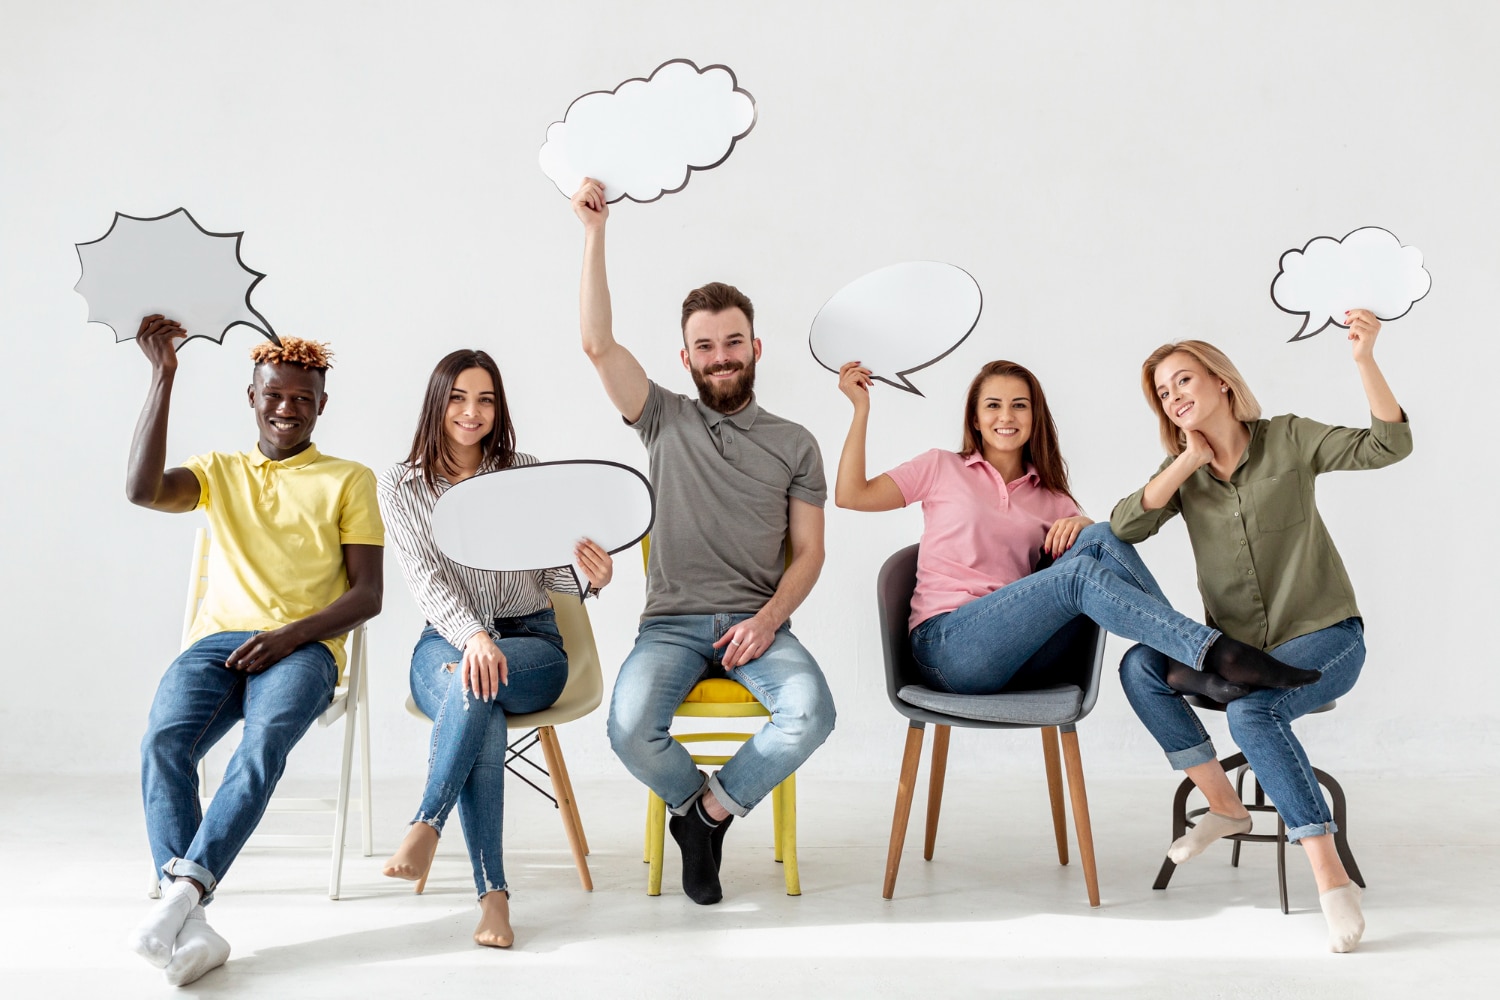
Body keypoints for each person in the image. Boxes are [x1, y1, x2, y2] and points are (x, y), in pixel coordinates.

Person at [570, 178, 836, 905]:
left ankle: (708, 815)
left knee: (813, 712)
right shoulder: (664, 419)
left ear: (755, 346)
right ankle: (695, 810)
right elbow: (597, 344)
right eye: (704, 347)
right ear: (685, 358)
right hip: (671, 627)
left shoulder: (795, 443)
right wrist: (595, 234)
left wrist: (768, 621)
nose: (721, 356)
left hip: (760, 625)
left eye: (732, 342)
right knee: (629, 729)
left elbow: (808, 553)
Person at [1111, 310, 1411, 953]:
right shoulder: (1184, 476)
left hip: (1325, 637)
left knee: (1253, 713)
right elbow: (1126, 528)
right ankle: (1225, 808)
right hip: (1238, 654)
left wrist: (1363, 359)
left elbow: (1389, 445)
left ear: (1221, 382)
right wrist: (1186, 459)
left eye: (1184, 380)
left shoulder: (1289, 439)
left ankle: (1331, 881)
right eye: (1164, 393)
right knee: (1139, 665)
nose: (1175, 397)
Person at [125, 316, 384, 986]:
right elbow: (141, 489)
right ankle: (197, 926)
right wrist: (163, 375)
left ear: (322, 404)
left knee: (260, 747)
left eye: (302, 398)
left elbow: (368, 596)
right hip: (218, 644)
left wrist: (291, 635)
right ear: (252, 396)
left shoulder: (348, 479)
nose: (287, 409)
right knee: (163, 743)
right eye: (274, 395)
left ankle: (179, 896)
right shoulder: (219, 471)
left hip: (303, 649)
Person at [834, 358, 1317, 702]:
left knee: (1102, 537)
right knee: (1078, 575)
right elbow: (851, 495)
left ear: (1034, 417)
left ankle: (1186, 658)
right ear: (976, 419)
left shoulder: (1052, 497)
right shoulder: (940, 467)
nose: (1006, 417)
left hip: (1020, 657)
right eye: (994, 406)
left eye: (1020, 406)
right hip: (948, 648)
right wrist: (861, 410)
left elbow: (1100, 559)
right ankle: (1208, 654)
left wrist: (1084, 524)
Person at [376, 348, 613, 948]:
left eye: (485, 400)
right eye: (458, 397)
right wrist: (475, 637)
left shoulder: (524, 473)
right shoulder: (401, 485)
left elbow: (559, 581)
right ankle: (495, 901)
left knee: (479, 679)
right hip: (447, 641)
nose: (471, 412)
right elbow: (425, 579)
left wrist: (591, 576)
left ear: (498, 408)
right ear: (437, 402)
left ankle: (427, 824)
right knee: (475, 683)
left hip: (533, 642)